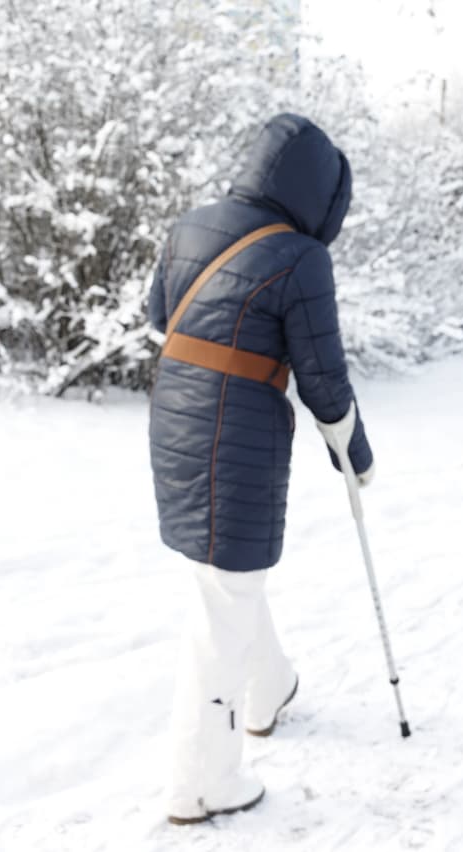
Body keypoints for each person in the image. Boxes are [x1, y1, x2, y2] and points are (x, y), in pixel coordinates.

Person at [147, 113, 374, 825]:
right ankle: (201, 782)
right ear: (320, 194)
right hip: (232, 429)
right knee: (223, 595)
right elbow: (323, 380)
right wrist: (355, 455)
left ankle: (267, 689)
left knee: (226, 577)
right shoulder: (302, 258)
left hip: (175, 415)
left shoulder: (190, 224)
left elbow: (159, 317)